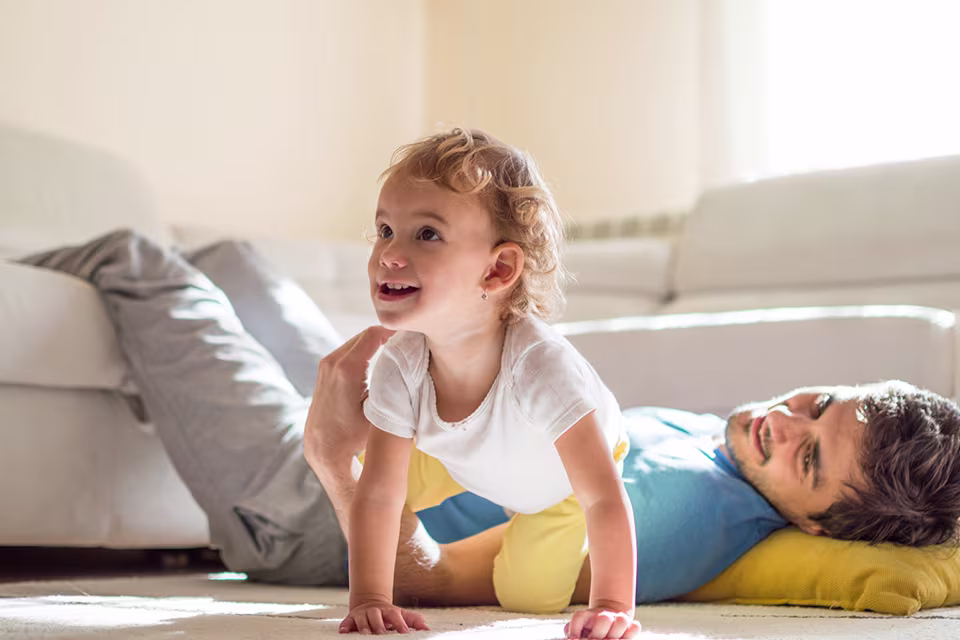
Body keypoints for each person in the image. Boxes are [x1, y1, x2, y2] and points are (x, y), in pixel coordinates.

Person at [18, 220, 960, 638]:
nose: (782, 423)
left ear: (821, 526)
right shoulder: (713, 443)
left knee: (138, 261)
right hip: (402, 423)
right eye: (816, 402)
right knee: (232, 258)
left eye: (810, 456)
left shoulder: (676, 518)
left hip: (310, 515)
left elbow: (435, 576)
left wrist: (333, 460)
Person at [341, 128, 637, 637]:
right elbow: (379, 498)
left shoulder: (541, 369)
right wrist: (370, 598)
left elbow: (603, 498)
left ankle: (573, 556)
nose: (389, 253)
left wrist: (612, 605)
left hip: (558, 485)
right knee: (365, 473)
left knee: (528, 596)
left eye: (426, 234)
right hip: (462, 457)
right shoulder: (399, 365)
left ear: (497, 270)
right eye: (385, 230)